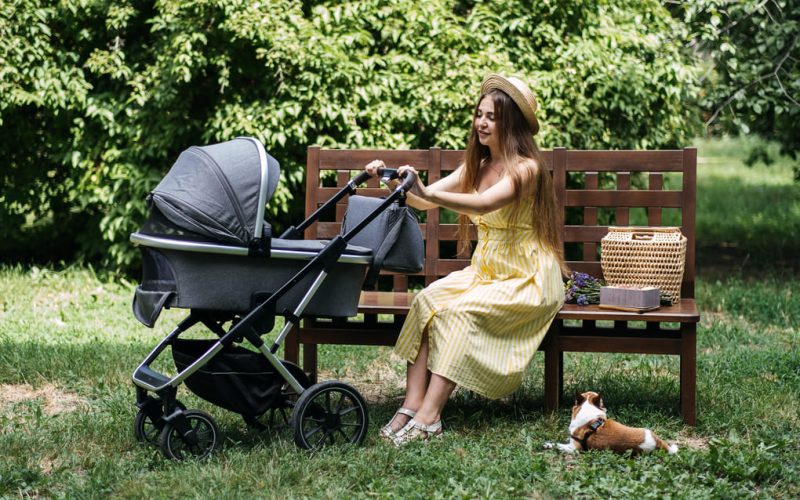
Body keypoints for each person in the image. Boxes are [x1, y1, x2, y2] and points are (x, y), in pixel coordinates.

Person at [364, 74, 567, 446]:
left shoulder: (528, 168)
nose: (481, 123)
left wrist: (427, 191)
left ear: (511, 124)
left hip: (527, 277)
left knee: (458, 315)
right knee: (428, 301)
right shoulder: (476, 165)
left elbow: (486, 203)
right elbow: (423, 201)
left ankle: (430, 418)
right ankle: (410, 406)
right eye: (479, 115)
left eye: (491, 117)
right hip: (487, 271)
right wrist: (396, 183)